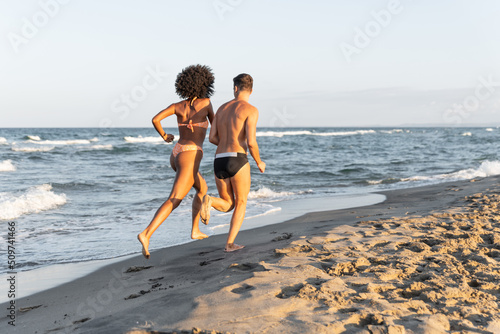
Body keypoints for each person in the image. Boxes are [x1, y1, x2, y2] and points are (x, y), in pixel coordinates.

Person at [138, 64, 215, 259]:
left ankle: (195, 230)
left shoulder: (177, 106)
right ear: (205, 83)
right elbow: (215, 130)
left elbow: (155, 119)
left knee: (202, 188)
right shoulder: (206, 103)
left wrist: (165, 136)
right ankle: (146, 234)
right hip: (191, 154)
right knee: (175, 198)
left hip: (177, 153)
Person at [200, 73, 265, 252]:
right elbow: (251, 142)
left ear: (235, 88)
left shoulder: (221, 109)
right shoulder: (251, 110)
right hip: (237, 158)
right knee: (241, 202)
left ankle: (210, 200)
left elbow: (212, 137)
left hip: (219, 159)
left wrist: (225, 144)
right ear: (251, 90)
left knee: (228, 203)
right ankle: (229, 244)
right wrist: (259, 161)